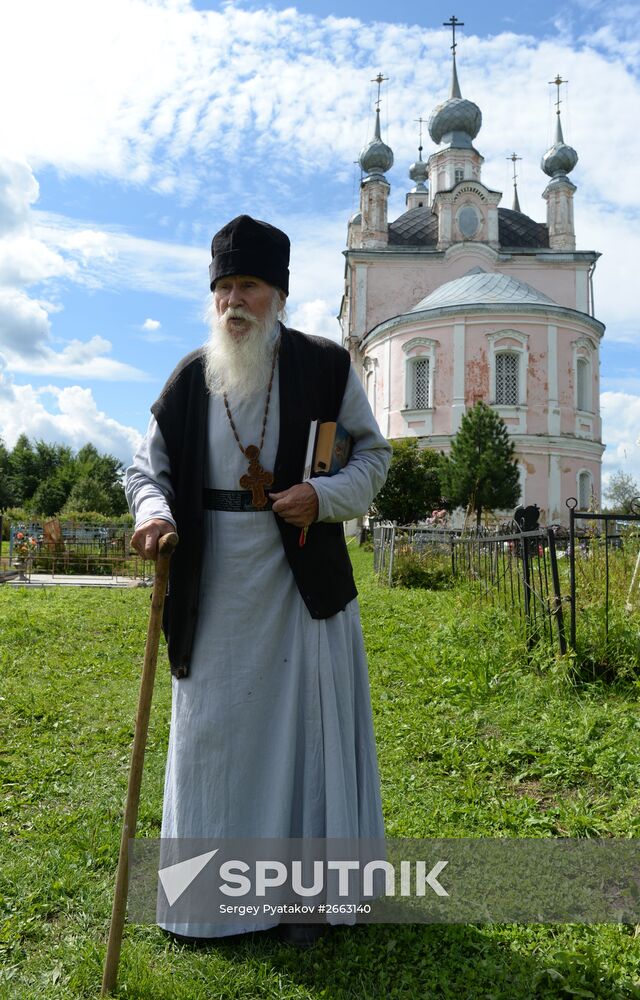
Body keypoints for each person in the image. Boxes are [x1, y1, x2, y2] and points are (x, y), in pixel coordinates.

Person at [125, 214, 391, 945]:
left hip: (299, 578)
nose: (232, 302)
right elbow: (147, 471)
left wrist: (323, 496)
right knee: (214, 738)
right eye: (223, 288)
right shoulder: (188, 378)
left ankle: (303, 902)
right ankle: (207, 901)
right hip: (212, 581)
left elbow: (373, 459)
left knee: (303, 736)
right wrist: (153, 513)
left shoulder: (326, 367)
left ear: (277, 293)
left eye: (248, 286)